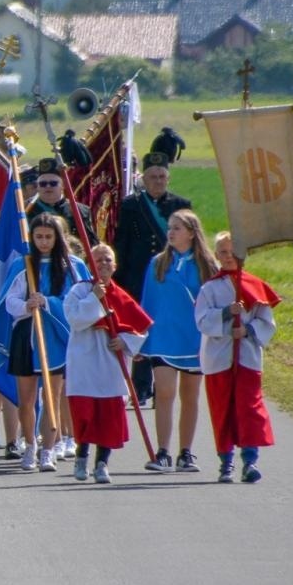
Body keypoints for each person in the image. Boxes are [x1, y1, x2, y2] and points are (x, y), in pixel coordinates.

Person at [3, 214, 89, 472]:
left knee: (51, 395)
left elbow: (78, 303)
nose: (43, 242)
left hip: (55, 337)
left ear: (57, 238)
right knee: (26, 398)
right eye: (38, 237)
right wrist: (27, 305)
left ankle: (48, 450)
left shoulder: (70, 265)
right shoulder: (23, 265)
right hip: (26, 335)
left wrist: (48, 302)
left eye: (48, 237)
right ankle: (30, 445)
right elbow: (9, 301)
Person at [138, 209, 218, 473]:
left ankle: (186, 452)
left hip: (194, 339)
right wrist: (141, 339)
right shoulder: (158, 263)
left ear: (192, 234)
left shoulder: (208, 265)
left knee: (190, 395)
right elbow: (147, 303)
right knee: (164, 393)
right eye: (170, 227)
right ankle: (162, 452)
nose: (171, 232)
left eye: (178, 228)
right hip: (163, 338)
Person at [64, 243, 151, 483]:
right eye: (98, 260)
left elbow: (139, 328)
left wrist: (124, 342)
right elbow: (75, 319)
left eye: (108, 260)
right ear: (90, 264)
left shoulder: (121, 295)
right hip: (85, 359)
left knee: (108, 416)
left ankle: (102, 463)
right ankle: (81, 457)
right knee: (85, 414)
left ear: (115, 265)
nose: (103, 264)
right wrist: (95, 298)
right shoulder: (80, 291)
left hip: (111, 364)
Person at [197, 232, 280, 484]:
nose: (228, 256)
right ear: (216, 255)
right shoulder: (209, 288)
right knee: (223, 409)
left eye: (232, 251)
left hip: (246, 357)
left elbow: (267, 322)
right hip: (220, 358)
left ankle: (250, 460)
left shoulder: (255, 285)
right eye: (222, 252)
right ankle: (226, 462)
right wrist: (225, 316)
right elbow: (202, 320)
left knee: (248, 408)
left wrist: (247, 330)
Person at [113, 152, 193, 404]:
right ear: (143, 179)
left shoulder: (181, 205)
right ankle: (140, 386)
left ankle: (164, 389)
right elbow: (122, 245)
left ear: (167, 178)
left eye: (162, 177)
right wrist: (121, 281)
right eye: (152, 177)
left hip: (171, 278)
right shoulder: (130, 205)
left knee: (167, 328)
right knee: (142, 329)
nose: (158, 181)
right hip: (140, 277)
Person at [27, 157, 98, 246]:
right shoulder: (27, 210)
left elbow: (91, 243)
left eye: (53, 183)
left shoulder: (80, 210)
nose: (48, 186)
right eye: (43, 184)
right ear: (37, 187)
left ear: (63, 185)